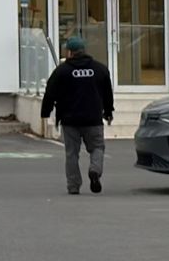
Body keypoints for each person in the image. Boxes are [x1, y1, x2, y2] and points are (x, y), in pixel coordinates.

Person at [39, 34, 116, 195]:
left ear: (70, 52)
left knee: (72, 154)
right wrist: (108, 112)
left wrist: (45, 112)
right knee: (97, 147)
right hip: (93, 119)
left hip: (70, 120)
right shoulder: (100, 69)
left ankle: (73, 186)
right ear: (83, 50)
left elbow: (50, 93)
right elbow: (107, 93)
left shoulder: (62, 71)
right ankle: (95, 170)